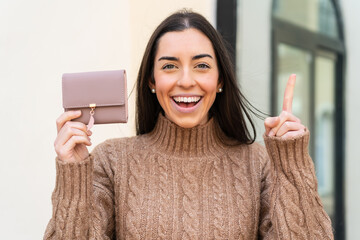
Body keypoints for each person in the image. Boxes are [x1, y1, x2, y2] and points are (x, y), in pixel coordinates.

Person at [44, 10, 333, 239]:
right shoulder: (110, 161)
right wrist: (74, 175)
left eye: (202, 65)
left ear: (220, 80)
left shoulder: (257, 163)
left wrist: (291, 165)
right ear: (151, 80)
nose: (185, 80)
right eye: (169, 66)